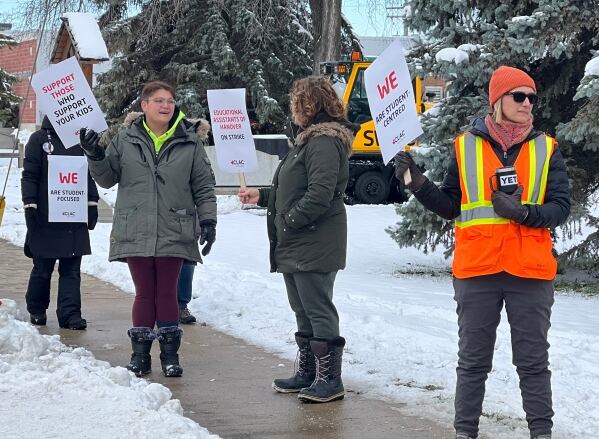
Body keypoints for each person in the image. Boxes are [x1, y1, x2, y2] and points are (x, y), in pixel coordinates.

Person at [393, 65, 570, 439]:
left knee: (533, 363)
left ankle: (542, 433)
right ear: (497, 101)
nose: (527, 104)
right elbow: (451, 205)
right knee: (472, 362)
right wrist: (418, 184)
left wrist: (524, 213)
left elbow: (561, 208)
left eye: (531, 98)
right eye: (518, 96)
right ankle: (465, 432)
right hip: (477, 271)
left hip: (530, 272)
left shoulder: (546, 148)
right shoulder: (465, 146)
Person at [79, 80, 217, 378]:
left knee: (167, 293)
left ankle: (170, 357)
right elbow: (106, 179)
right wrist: (95, 156)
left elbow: (204, 187)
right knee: (144, 292)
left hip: (174, 226)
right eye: (159, 100)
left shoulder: (190, 142)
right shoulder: (125, 139)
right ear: (144, 106)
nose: (166, 105)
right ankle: (140, 357)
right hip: (136, 226)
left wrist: (208, 220)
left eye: (169, 100)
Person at [238, 75, 354, 403]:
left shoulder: (323, 142)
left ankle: (330, 380)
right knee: (302, 308)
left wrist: (289, 221)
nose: (294, 109)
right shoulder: (306, 141)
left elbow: (320, 193)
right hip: (297, 240)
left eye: (297, 103)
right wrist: (261, 197)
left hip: (313, 240)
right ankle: (308, 373)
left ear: (308, 105)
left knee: (317, 307)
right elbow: (290, 189)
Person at [21, 115, 99, 330]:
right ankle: (36, 308)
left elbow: (88, 174)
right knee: (42, 267)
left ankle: (70, 314)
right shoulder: (38, 139)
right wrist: (30, 204)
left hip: (74, 216)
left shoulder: (80, 141)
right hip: (45, 215)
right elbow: (30, 175)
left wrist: (92, 203)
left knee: (72, 269)